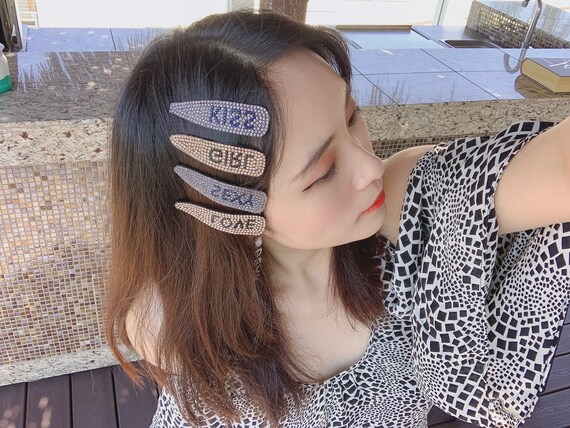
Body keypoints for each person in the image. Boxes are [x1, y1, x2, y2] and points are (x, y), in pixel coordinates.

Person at [103, 9, 570, 428]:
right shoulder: (167, 320)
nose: (371, 167)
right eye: (324, 173)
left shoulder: (402, 200)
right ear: (226, 211)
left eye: (351, 117)